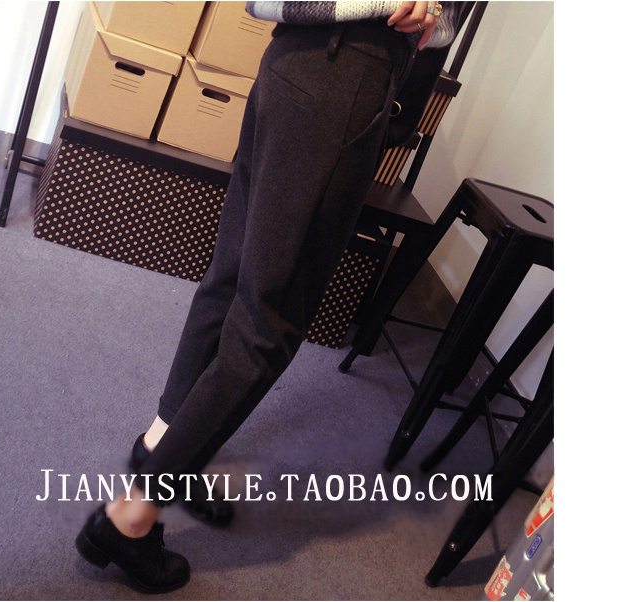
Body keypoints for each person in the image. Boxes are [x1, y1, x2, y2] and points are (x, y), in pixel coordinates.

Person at [75, 1, 466, 593]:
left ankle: (161, 444)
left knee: (231, 279)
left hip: (292, 63)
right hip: (345, 80)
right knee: (269, 323)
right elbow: (431, 23)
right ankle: (130, 519)